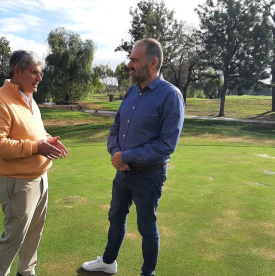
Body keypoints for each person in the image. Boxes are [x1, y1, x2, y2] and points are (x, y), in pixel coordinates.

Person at [82, 38, 185, 276]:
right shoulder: (132, 91)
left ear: (153, 63)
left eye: (134, 60)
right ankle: (108, 262)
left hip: (149, 175)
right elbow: (116, 127)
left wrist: (125, 156)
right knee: (115, 217)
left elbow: (166, 145)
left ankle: (147, 273)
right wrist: (116, 153)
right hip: (123, 172)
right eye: (130, 58)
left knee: (147, 227)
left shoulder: (170, 95)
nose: (129, 64)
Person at [0, 50, 68, 276]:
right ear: (17, 71)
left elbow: (34, 133)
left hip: (41, 178)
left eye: (40, 73)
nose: (39, 78)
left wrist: (48, 140)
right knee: (14, 238)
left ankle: (26, 272)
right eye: (34, 72)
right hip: (18, 183)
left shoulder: (29, 99)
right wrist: (36, 147)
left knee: (34, 233)